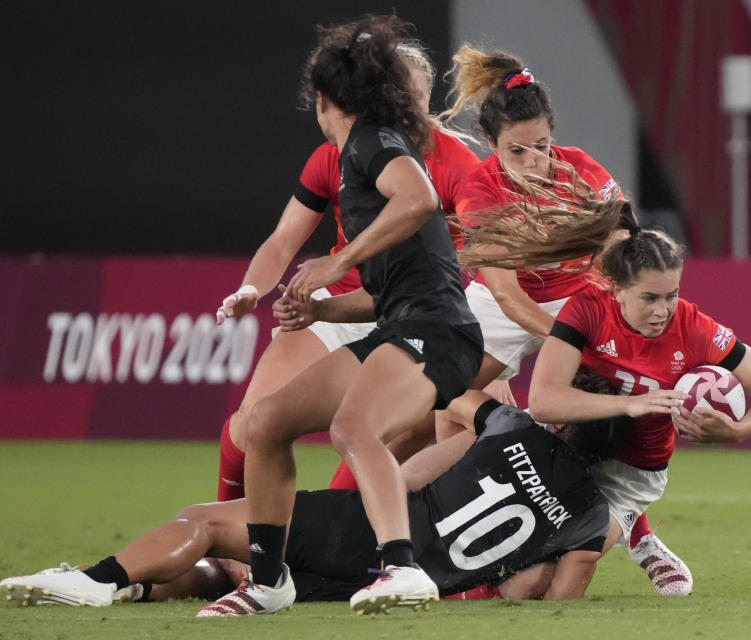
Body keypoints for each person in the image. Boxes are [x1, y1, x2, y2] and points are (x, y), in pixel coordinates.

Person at [210, 15, 484, 615]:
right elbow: (392, 285)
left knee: (351, 430)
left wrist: (338, 263)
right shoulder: (353, 153)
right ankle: (267, 580)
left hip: (436, 332)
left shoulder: (373, 142)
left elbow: (421, 200)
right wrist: (322, 308)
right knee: (267, 422)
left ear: (322, 97)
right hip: (401, 322)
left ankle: (403, 567)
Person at [0, 369, 629, 615]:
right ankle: (140, 584)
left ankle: (99, 580)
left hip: (375, 532)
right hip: (406, 584)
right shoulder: (596, 522)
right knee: (229, 571)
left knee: (207, 522)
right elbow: (554, 600)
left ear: (565, 413)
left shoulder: (513, 426)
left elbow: (445, 385)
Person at [437, 45, 691, 596]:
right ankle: (457, 552)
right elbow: (504, 292)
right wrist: (565, 343)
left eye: (541, 146)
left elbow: (624, 242)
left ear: (555, 134)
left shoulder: (581, 170)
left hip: (579, 292)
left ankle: (640, 532)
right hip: (504, 301)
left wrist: (602, 321)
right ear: (490, 145)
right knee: (440, 397)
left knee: (617, 403)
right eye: (517, 151)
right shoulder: (480, 191)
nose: (533, 162)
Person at [461, 193, 751, 594]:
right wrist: (630, 404)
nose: (663, 310)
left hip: (629, 474)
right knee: (453, 406)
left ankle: (639, 536)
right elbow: (545, 400)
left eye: (671, 295)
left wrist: (739, 431)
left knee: (551, 580)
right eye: (650, 298)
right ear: (617, 289)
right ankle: (408, 548)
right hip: (568, 448)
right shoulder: (587, 309)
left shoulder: (694, 328)